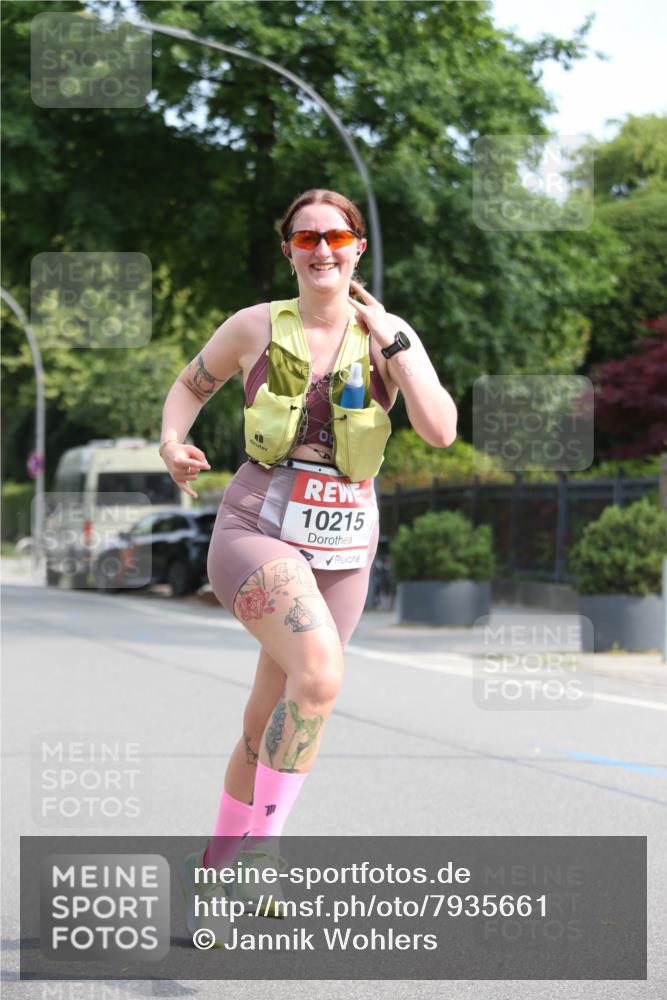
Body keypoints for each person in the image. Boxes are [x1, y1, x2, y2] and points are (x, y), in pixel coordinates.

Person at [160, 188, 457, 932]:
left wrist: (393, 341)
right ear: (288, 249)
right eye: (306, 238)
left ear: (357, 246)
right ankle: (267, 850)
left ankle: (213, 878)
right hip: (257, 525)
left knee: (269, 723)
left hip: (344, 546)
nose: (321, 249)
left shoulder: (390, 336)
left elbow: (440, 429)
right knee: (321, 672)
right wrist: (173, 444)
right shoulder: (254, 326)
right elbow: (187, 389)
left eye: (336, 236)